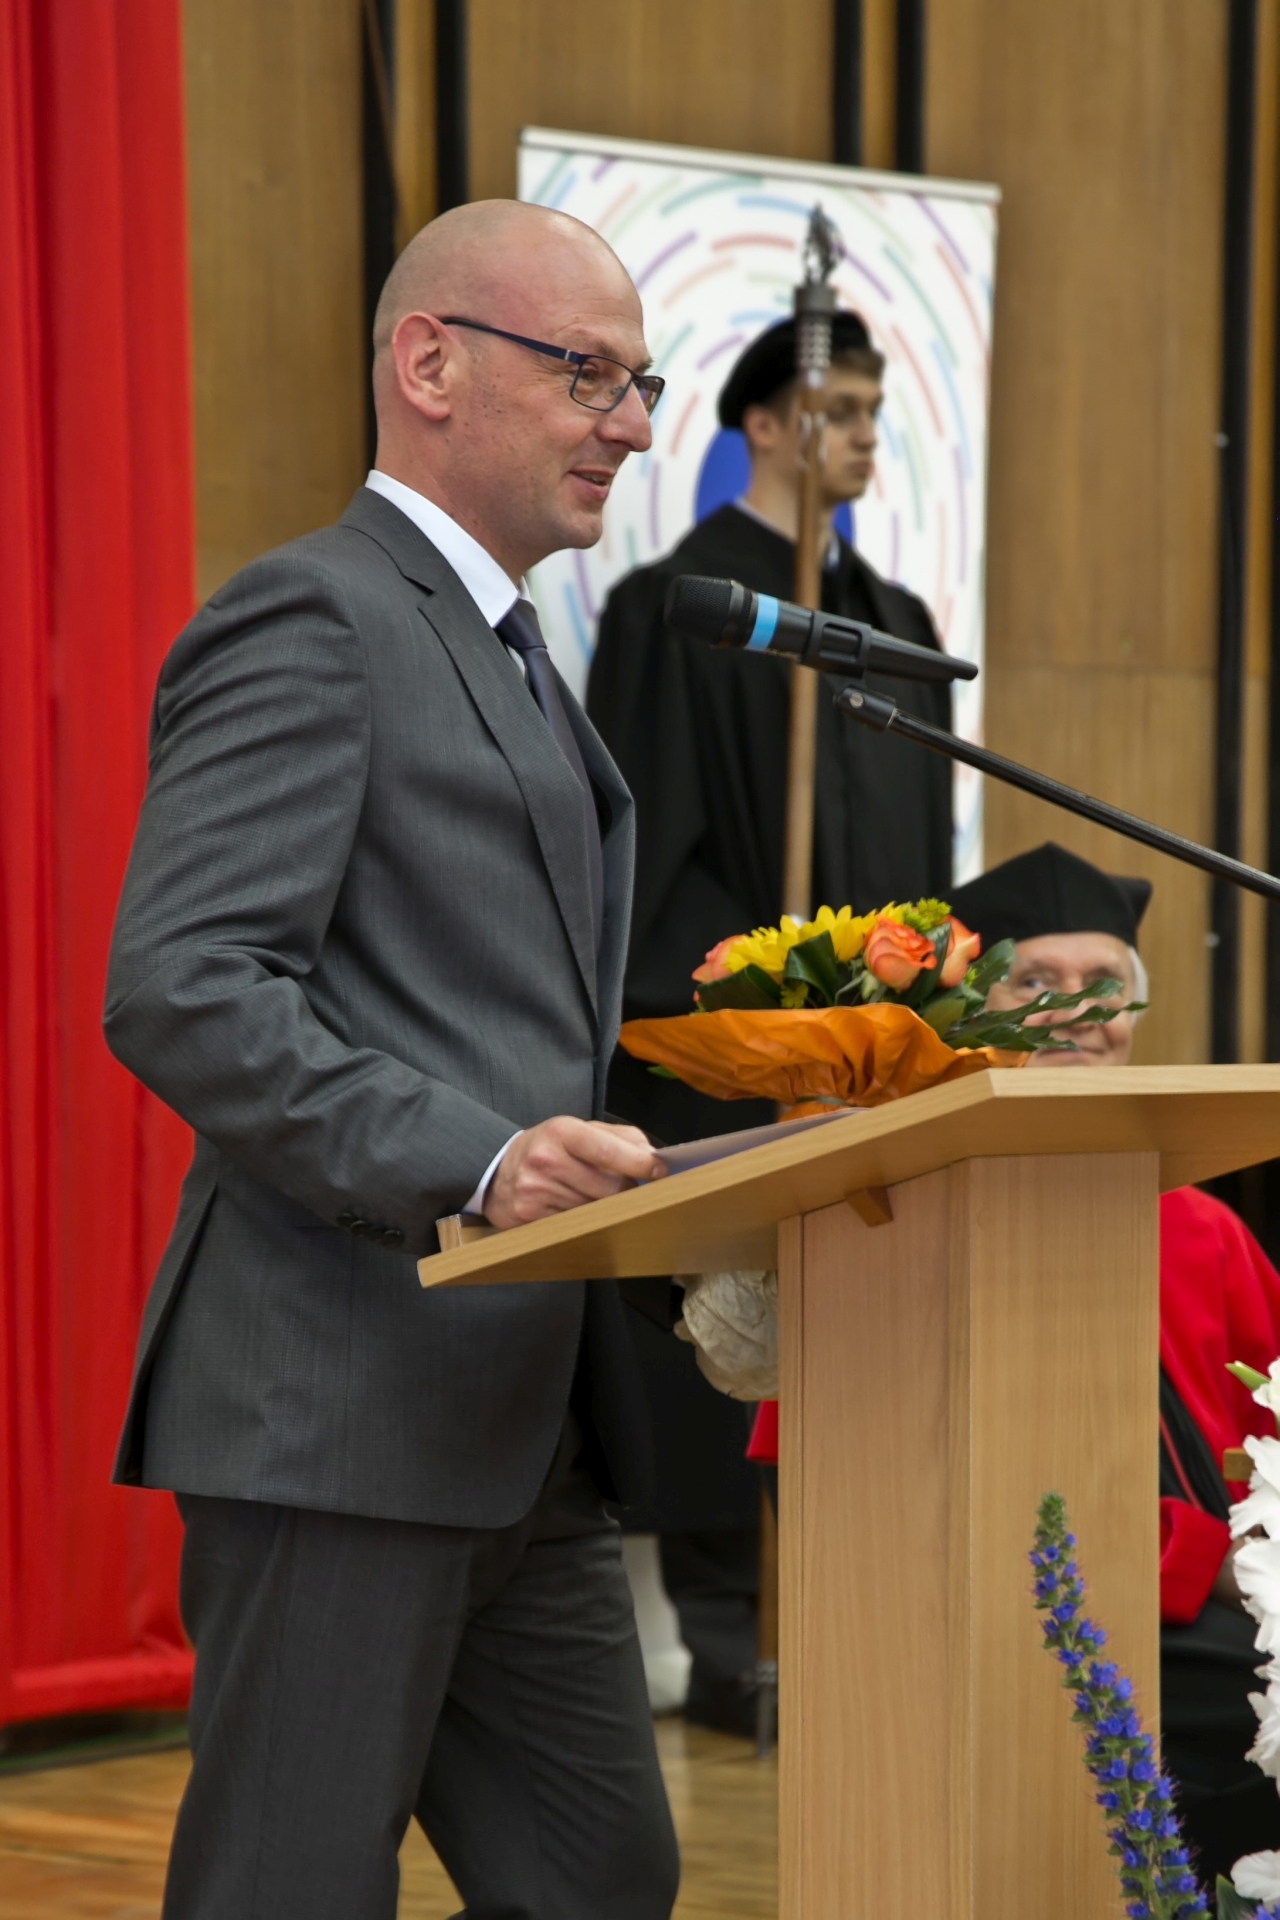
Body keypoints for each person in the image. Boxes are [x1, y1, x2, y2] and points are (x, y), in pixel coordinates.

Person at [103, 199, 683, 1920]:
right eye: (587, 374)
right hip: (340, 1404)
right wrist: (479, 1160)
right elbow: (187, 986)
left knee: (601, 1878)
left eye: (641, 384)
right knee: (287, 1887)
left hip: (524, 1422)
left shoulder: (516, 655)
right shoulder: (316, 616)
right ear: (430, 364)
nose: (631, 426)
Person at [586, 310, 954, 1733]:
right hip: (732, 1049)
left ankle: (863, 1612)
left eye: (871, 409)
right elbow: (639, 843)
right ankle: (728, 1633)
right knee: (727, 1334)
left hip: (875, 1059)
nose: (861, 433)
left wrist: (897, 999)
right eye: (837, 407)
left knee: (871, 1331)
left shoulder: (895, 625)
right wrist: (764, 1002)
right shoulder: (676, 611)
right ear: (766, 423)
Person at [952, 842, 1280, 1891]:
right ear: (969, 1011)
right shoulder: (907, 1208)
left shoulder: (1203, 1225)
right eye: (1032, 983)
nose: (1074, 1012)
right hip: (1042, 1610)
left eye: (1102, 984)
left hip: (1227, 1591)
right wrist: (1210, 1563)